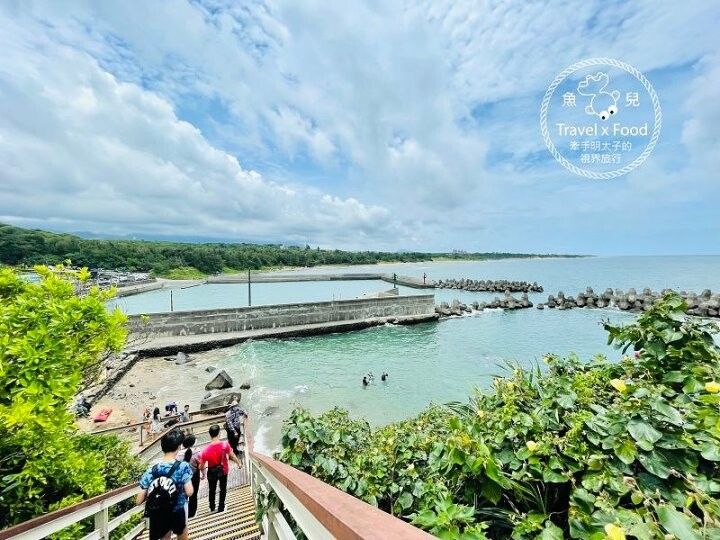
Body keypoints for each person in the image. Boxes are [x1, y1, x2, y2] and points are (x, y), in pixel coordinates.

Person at [136, 429, 193, 540]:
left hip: (158, 513)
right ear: (178, 447)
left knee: (164, 537)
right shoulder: (183, 467)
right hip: (177, 510)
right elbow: (189, 492)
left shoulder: (150, 471)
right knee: (182, 533)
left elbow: (138, 501)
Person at [199, 424, 242, 513]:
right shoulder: (225, 445)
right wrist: (238, 463)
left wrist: (202, 471)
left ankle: (212, 507)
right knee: (223, 489)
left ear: (210, 435)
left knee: (212, 490)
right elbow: (232, 456)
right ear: (219, 434)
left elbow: (201, 466)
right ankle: (221, 507)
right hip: (223, 470)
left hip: (211, 472)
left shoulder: (205, 450)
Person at [176, 433, 202, 519]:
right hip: (194, 476)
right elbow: (201, 465)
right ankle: (192, 514)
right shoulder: (197, 452)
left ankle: (185, 513)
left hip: (182, 477)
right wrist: (204, 474)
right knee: (193, 495)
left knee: (183, 495)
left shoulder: (178, 454)